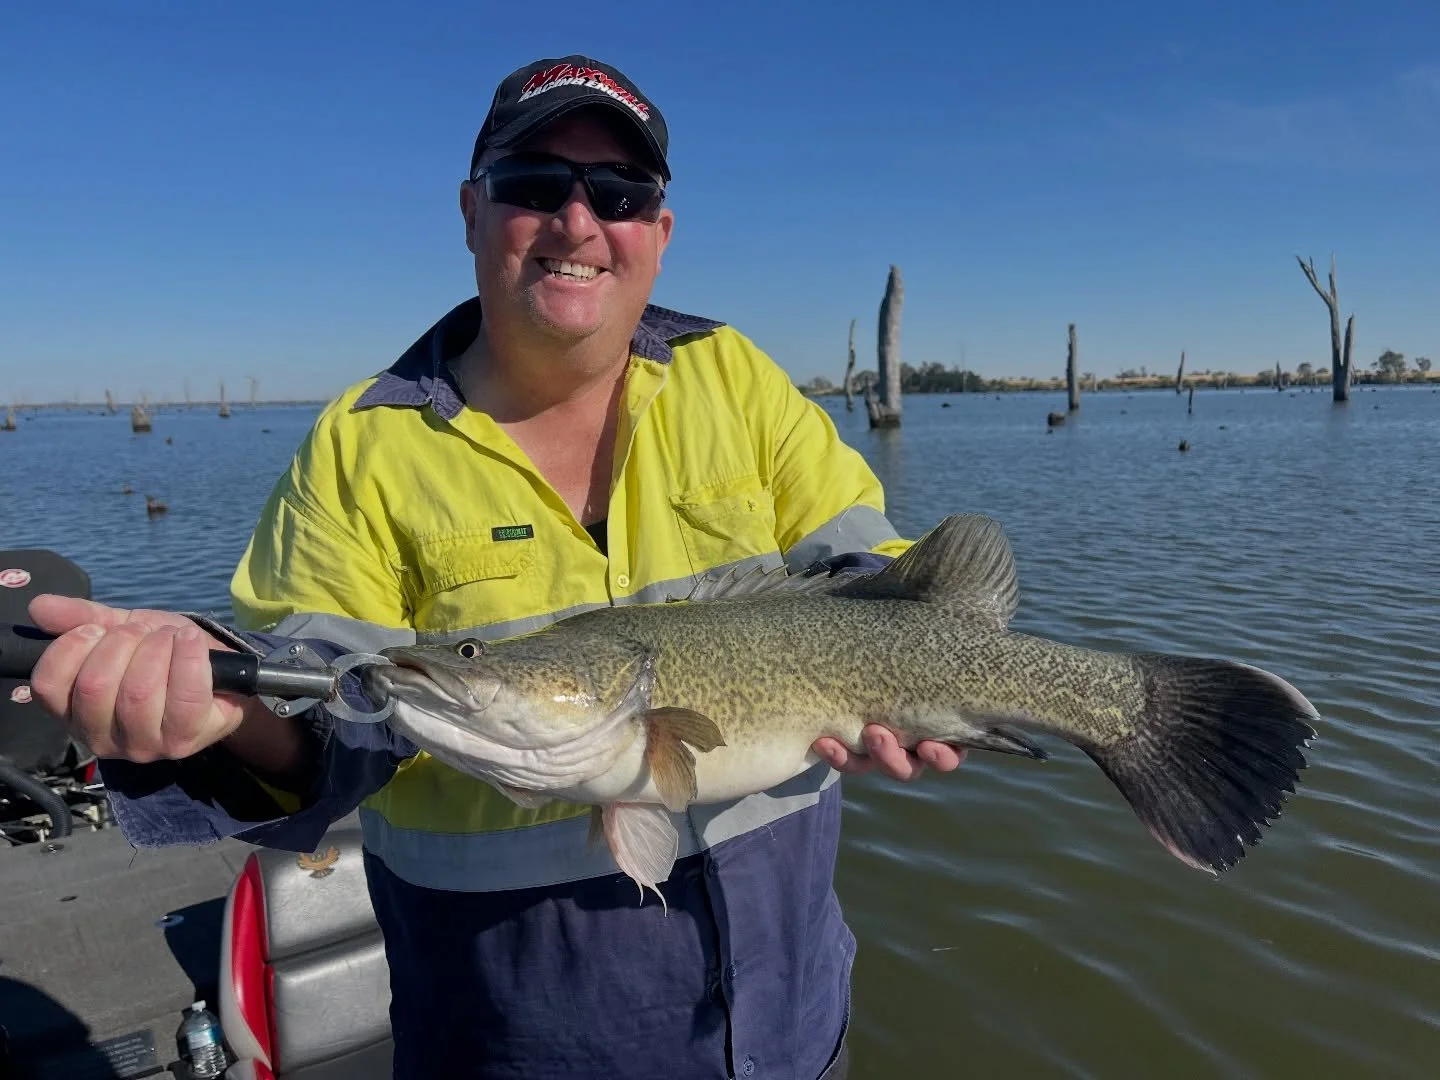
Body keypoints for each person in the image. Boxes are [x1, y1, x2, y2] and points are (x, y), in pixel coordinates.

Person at [28, 55, 964, 1080]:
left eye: (619, 193)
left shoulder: (734, 376)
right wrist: (221, 708)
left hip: (794, 1027)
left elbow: (867, 561)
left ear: (659, 231)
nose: (576, 221)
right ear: (472, 211)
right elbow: (331, 701)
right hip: (519, 1041)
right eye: (532, 184)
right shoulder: (362, 449)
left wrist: (914, 661)